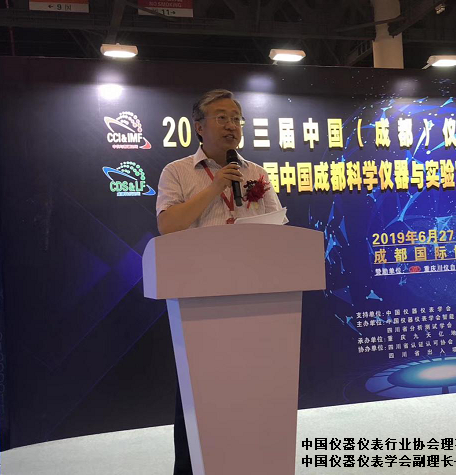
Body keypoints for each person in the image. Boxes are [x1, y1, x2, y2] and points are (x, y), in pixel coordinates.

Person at [155, 89, 286, 475]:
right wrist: (215, 187)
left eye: (236, 118)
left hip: (252, 295)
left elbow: (278, 227)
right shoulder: (177, 171)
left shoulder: (256, 173)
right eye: (222, 117)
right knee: (198, 392)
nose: (232, 126)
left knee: (250, 388)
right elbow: (168, 226)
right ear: (199, 127)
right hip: (200, 298)